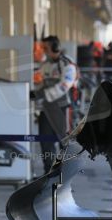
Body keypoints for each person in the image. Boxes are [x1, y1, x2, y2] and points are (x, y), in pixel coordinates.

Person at [34, 35, 78, 174]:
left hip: (62, 108)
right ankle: (49, 173)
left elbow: (65, 85)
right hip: (46, 109)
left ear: (55, 47)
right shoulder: (45, 64)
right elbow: (40, 83)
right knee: (45, 142)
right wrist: (35, 93)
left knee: (64, 141)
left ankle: (66, 173)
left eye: (46, 48)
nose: (44, 51)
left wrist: (44, 94)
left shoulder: (67, 63)